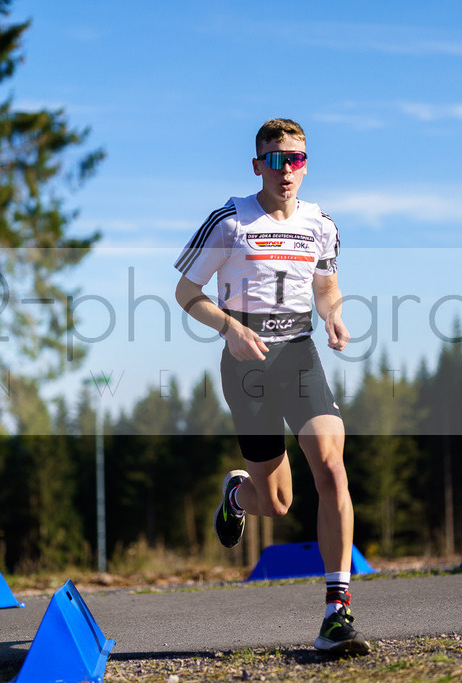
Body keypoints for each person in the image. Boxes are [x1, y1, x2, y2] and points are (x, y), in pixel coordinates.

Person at [174, 118, 370, 655]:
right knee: (278, 502)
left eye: (298, 159)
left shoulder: (321, 223)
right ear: (258, 164)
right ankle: (238, 495)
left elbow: (326, 285)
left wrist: (333, 315)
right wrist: (230, 327)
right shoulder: (230, 220)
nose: (288, 170)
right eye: (277, 160)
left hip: (300, 354)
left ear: (306, 164)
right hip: (247, 364)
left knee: (331, 466)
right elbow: (186, 292)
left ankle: (337, 612)